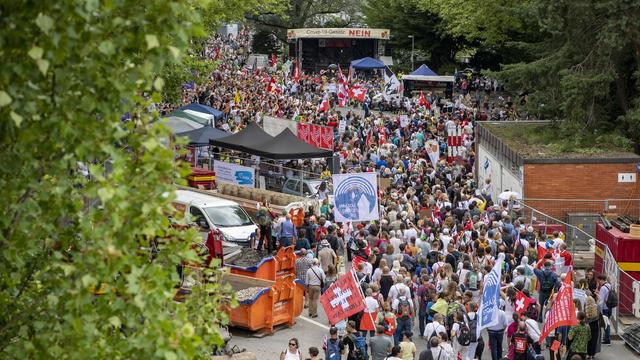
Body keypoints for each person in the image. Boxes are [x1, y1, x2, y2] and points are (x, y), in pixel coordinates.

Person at [596, 274, 612, 345]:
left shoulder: (603, 288)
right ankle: (606, 337)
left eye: (599, 280)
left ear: (601, 280)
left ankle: (607, 339)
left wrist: (599, 309)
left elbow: (601, 300)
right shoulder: (609, 285)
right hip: (609, 307)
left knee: (605, 323)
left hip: (604, 308)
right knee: (607, 322)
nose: (598, 282)